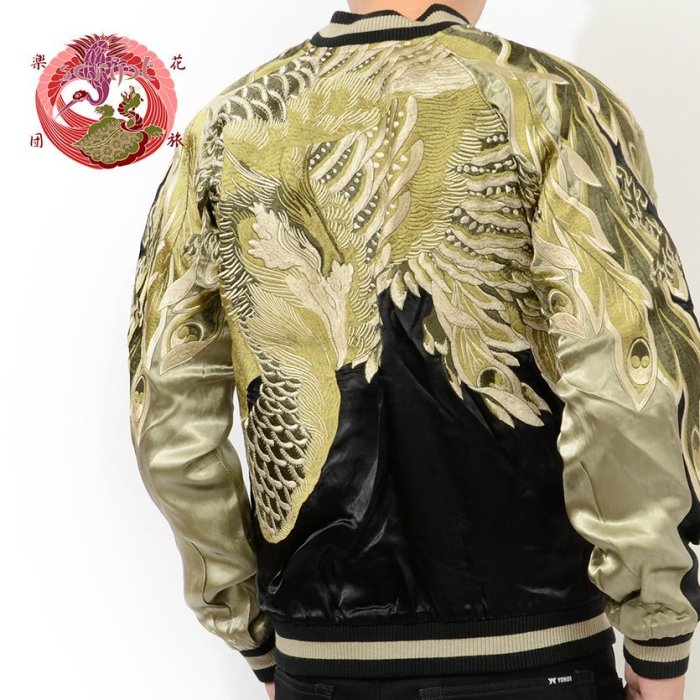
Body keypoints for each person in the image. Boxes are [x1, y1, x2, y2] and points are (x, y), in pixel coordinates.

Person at [126, 1, 700, 698]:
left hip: (324, 663)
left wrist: (253, 632)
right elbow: (624, 374)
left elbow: (168, 420)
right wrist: (658, 633)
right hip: (533, 653)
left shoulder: (218, 130)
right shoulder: (551, 101)